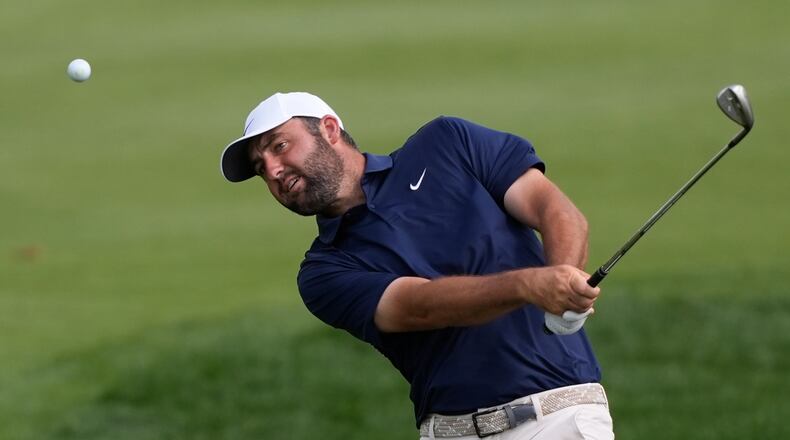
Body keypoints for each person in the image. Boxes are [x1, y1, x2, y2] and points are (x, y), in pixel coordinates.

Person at [220, 92, 614, 439]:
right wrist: (530, 285)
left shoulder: (448, 143)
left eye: (280, 146)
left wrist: (563, 290)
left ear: (329, 129)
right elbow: (420, 305)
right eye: (260, 167)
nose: (272, 170)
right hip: (449, 432)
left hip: (557, 418)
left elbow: (554, 210)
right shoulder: (323, 272)